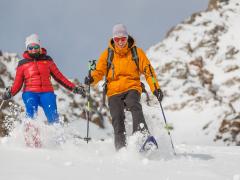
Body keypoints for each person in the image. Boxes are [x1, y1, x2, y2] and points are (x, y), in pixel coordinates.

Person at [85, 24, 163, 150]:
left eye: (123, 39)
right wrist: (92, 78)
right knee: (117, 116)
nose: (120, 42)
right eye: (117, 39)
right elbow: (99, 71)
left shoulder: (136, 52)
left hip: (132, 86)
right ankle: (121, 148)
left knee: (134, 103)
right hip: (113, 90)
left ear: (127, 38)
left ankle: (142, 137)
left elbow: (149, 72)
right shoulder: (107, 54)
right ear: (113, 40)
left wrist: (156, 88)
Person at [2, 34, 85, 124]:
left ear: (40, 47)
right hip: (30, 92)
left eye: (36, 47)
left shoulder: (48, 60)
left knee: (53, 115)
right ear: (27, 49)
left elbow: (59, 77)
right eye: (30, 47)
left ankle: (55, 134)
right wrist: (10, 93)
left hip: (47, 92)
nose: (33, 50)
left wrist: (74, 88)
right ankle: (31, 135)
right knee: (31, 112)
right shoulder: (22, 64)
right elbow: (17, 84)